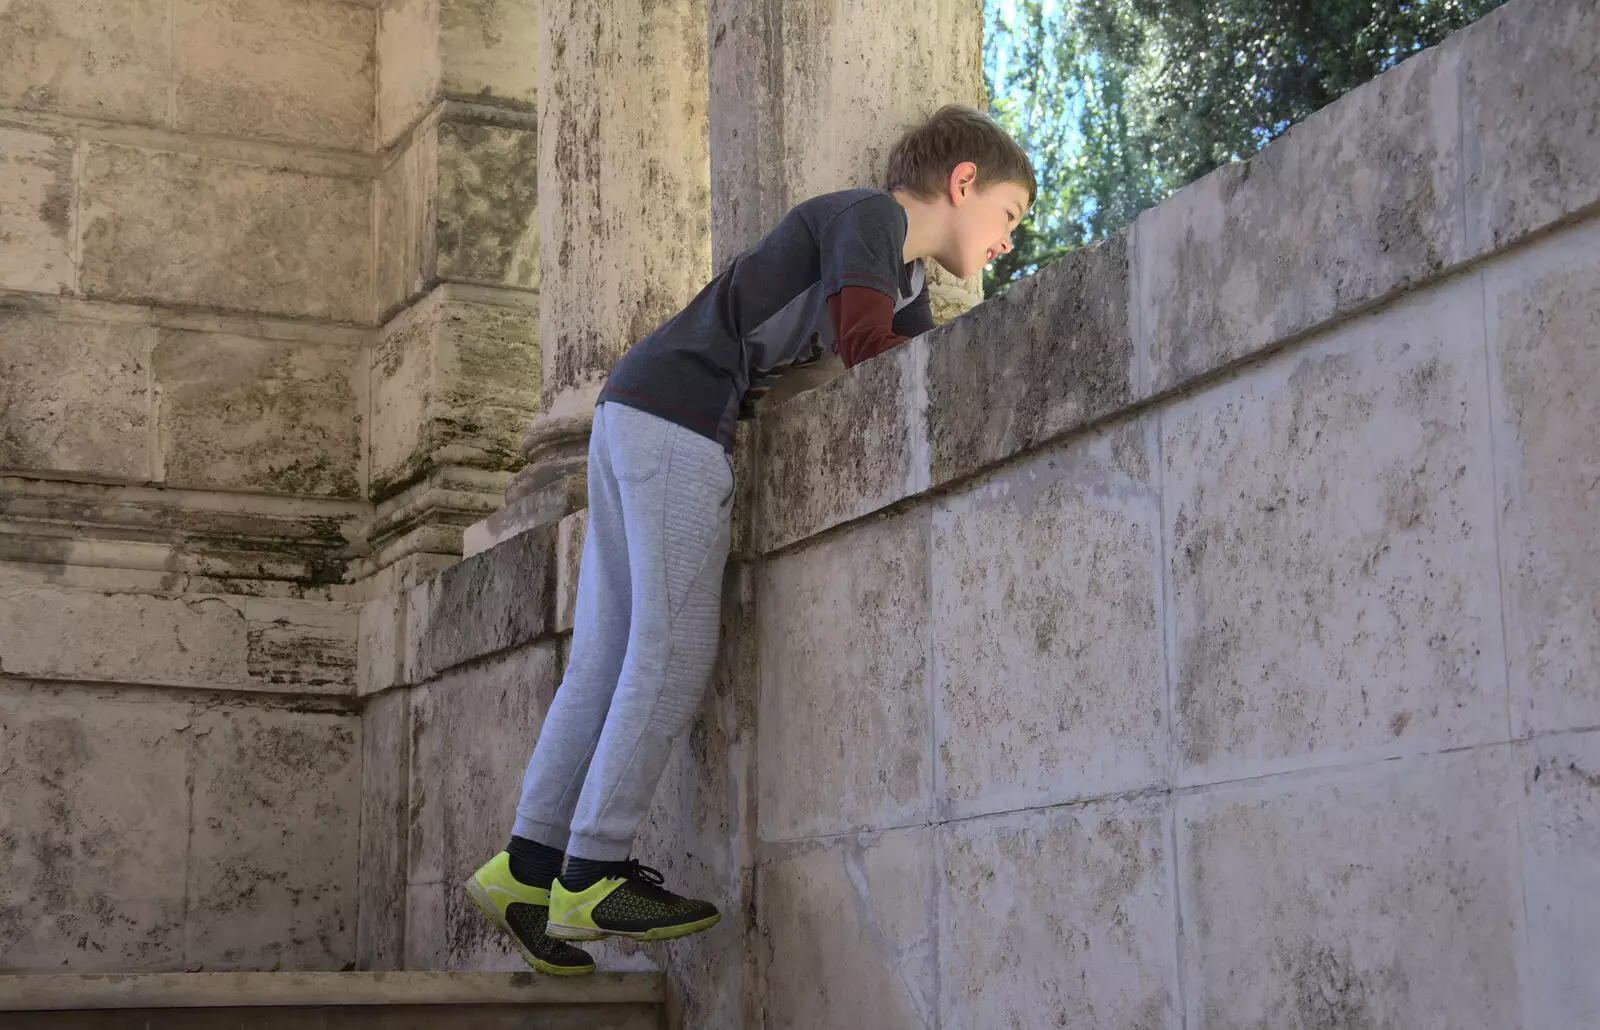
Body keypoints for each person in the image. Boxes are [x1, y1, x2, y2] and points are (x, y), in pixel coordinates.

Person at [463, 104, 1036, 976]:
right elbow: (868, 350)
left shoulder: (899, 274)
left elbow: (920, 354)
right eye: (1010, 215)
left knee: (608, 656)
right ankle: (595, 868)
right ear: (964, 184)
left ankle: (529, 866)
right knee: (675, 643)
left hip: (635, 407)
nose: (1007, 241)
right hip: (682, 419)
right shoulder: (870, 220)